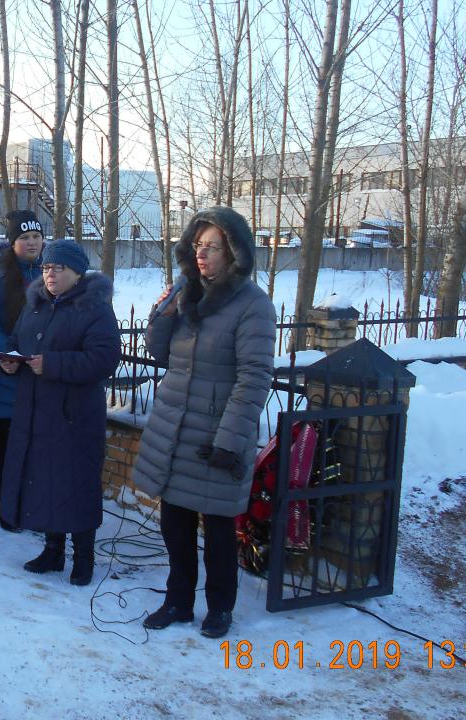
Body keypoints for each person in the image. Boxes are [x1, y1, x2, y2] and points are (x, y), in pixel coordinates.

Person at [132, 207, 275, 640]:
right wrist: (168, 309)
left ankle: (219, 608)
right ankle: (178, 602)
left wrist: (230, 441)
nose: (202, 254)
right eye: (198, 246)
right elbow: (158, 352)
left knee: (217, 532)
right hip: (174, 429)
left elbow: (254, 377)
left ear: (235, 254)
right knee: (174, 525)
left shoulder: (253, 306)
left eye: (213, 247)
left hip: (214, 436)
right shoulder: (189, 294)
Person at [0, 239, 118, 586]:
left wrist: (51, 364)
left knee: (76, 486)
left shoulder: (94, 307)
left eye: (58, 268)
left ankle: (84, 558)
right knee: (45, 483)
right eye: (47, 268)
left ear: (76, 273)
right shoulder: (35, 304)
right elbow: (17, 340)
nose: (50, 274)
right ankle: (53, 551)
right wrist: (9, 359)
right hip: (36, 411)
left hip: (74, 416)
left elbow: (104, 359)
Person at [0, 210, 44, 530]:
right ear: (12, 242)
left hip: (39, 374)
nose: (32, 243)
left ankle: (30, 506)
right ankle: (6, 509)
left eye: (36, 237)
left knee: (35, 449)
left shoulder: (51, 271)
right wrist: (9, 354)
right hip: (4, 373)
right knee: (5, 448)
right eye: (24, 237)